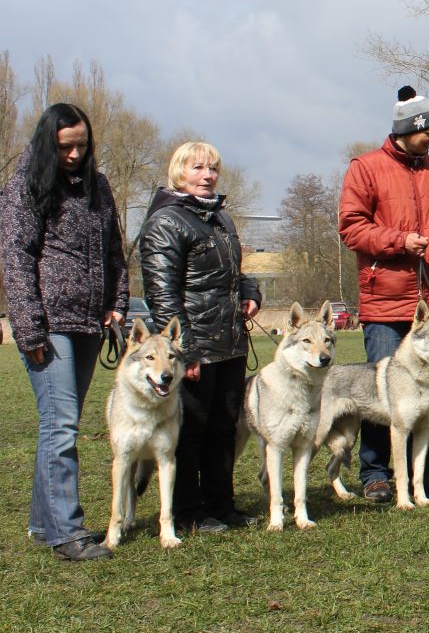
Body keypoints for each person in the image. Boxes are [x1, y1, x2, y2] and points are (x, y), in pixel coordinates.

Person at [0, 103, 128, 561]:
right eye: (65, 146)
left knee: (57, 424)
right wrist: (30, 330)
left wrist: (117, 305)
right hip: (49, 324)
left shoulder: (99, 187)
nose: (75, 154)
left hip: (91, 323)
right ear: (47, 144)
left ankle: (42, 522)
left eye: (82, 145)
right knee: (62, 426)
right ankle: (67, 533)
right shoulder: (23, 188)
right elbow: (16, 260)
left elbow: (115, 250)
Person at [339, 85, 429, 503]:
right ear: (409, 129)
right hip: (384, 301)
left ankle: (423, 475)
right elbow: (351, 228)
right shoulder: (365, 167)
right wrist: (399, 241)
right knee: (381, 392)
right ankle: (376, 474)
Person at [140, 142, 262, 532]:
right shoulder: (166, 221)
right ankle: (187, 512)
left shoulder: (222, 218)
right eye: (198, 168)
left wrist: (250, 293)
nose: (207, 175)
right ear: (179, 172)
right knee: (191, 430)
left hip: (229, 342)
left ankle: (221, 505)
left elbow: (234, 273)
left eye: (212, 169)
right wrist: (184, 352)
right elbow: (162, 294)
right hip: (193, 346)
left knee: (224, 427)